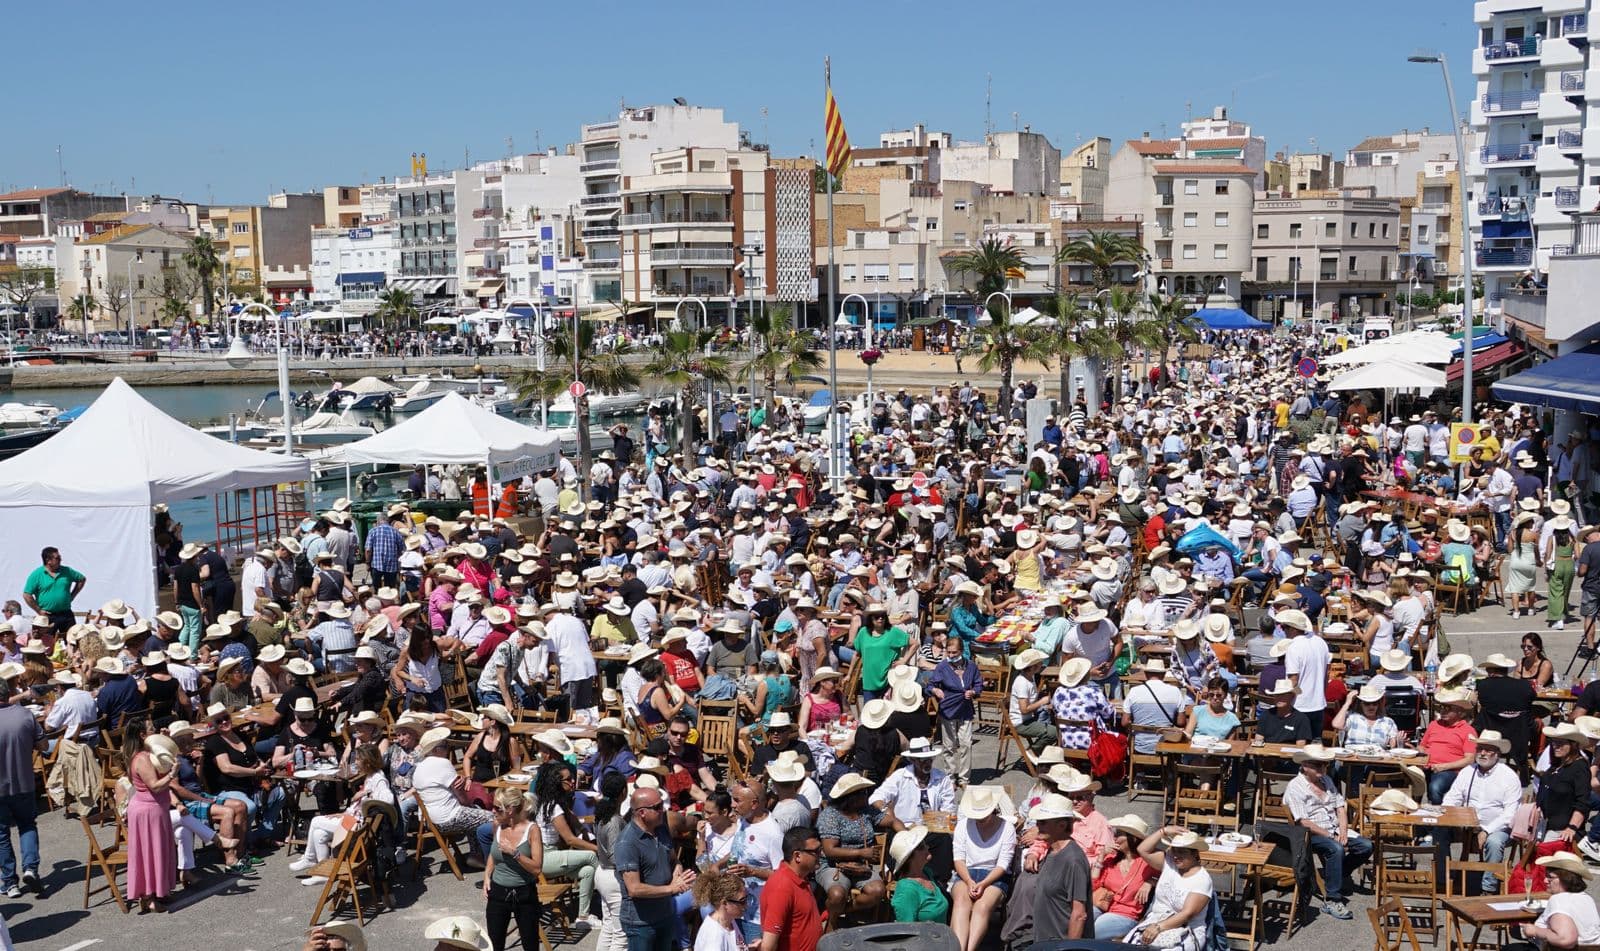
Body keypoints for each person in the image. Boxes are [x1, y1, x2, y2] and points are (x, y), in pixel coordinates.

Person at [1284, 745, 1371, 921]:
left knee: (1366, 846)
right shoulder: (1295, 787)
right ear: (1305, 766)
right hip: (1311, 834)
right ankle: (1332, 899)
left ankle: (1336, 874)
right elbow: (1303, 821)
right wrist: (1332, 836)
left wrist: (1344, 831)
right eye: (1319, 765)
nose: (1323, 769)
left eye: (1325, 765)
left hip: (1334, 829)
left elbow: (1340, 807)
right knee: (1336, 849)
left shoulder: (1327, 781)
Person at [288, 745, 394, 884]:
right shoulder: (370, 776)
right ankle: (324, 873)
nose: (355, 762)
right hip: (352, 818)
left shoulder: (378, 779)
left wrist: (365, 794)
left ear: (367, 761)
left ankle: (309, 858)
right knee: (319, 833)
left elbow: (388, 799)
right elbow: (357, 805)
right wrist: (344, 813)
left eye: (358, 759)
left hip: (358, 825)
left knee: (316, 821)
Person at [616, 786, 696, 951]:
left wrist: (677, 872)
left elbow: (674, 861)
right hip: (641, 923)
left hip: (665, 915)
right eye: (658, 807)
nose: (663, 810)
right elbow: (634, 889)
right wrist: (672, 888)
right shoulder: (627, 842)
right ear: (642, 813)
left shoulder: (661, 830)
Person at [1441, 731, 1522, 893]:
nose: (1483, 753)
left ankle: (1488, 887)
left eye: (1488, 749)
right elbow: (1452, 798)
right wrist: (1449, 816)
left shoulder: (1509, 777)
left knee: (1494, 842)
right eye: (1480, 749)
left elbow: (1510, 814)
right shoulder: (1467, 771)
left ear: (1497, 753)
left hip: (1499, 827)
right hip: (1467, 826)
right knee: (1440, 832)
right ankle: (1443, 880)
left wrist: (1487, 831)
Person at [531, 761, 599, 926]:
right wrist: (599, 849)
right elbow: (570, 839)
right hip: (545, 857)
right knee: (591, 856)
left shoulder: (553, 803)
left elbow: (575, 821)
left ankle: (583, 917)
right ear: (556, 784)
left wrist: (583, 830)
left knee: (588, 870)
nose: (573, 782)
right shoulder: (553, 807)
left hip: (551, 854)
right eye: (568, 780)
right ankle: (611, 896)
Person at [814, 773, 886, 926]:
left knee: (877, 890)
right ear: (852, 797)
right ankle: (833, 922)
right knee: (837, 894)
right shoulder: (830, 816)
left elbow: (890, 820)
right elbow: (830, 850)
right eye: (863, 792)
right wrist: (860, 852)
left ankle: (840, 911)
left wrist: (905, 831)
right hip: (833, 866)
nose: (867, 795)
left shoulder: (866, 811)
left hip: (860, 866)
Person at [950, 785, 1017, 951]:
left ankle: (969, 949)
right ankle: (958, 948)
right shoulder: (963, 825)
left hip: (995, 875)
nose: (979, 819)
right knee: (961, 902)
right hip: (966, 872)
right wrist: (968, 880)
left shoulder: (1007, 828)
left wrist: (984, 883)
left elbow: (1003, 864)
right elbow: (958, 859)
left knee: (982, 906)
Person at [1126, 825, 1214, 948]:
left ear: (1194, 853)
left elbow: (1187, 914)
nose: (1176, 856)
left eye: (1182, 851)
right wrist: (1163, 831)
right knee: (1128, 947)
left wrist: (1158, 927)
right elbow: (1142, 849)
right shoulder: (1169, 863)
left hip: (1186, 928)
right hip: (1156, 919)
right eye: (1174, 850)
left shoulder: (1202, 880)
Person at [482, 785, 545, 951]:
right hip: (498, 892)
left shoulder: (532, 830)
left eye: (497, 808)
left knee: (530, 944)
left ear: (510, 809)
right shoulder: (497, 825)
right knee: (494, 944)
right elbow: (493, 854)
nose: (493, 811)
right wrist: (487, 875)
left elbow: (537, 868)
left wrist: (514, 853)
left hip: (524, 893)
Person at [123, 726, 178, 914]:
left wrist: (165, 741)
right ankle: (148, 897)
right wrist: (172, 774)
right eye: (151, 728)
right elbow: (154, 786)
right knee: (149, 852)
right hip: (148, 811)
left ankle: (159, 890)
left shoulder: (147, 754)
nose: (154, 729)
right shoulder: (142, 758)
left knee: (159, 851)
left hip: (154, 809)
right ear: (142, 734)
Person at [0, 663, 43, 898]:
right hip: (24, 782)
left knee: (1, 834)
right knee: (27, 825)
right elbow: (43, 745)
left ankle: (9, 881)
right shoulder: (26, 715)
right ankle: (30, 868)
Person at [1029, 792, 1091, 942]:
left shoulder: (1073, 860)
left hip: (1059, 944)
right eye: (1038, 821)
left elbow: (1079, 914)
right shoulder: (1051, 851)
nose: (1038, 826)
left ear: (1062, 825)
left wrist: (1069, 948)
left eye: (1043, 822)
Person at [926, 634, 981, 786]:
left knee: (966, 744)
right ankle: (949, 777)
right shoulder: (943, 666)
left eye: (954, 653)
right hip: (948, 709)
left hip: (965, 709)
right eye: (948, 652)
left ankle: (964, 778)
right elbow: (930, 685)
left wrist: (974, 692)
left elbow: (978, 684)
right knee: (949, 746)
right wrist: (936, 691)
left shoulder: (971, 666)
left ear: (961, 651)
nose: (950, 655)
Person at [758, 826, 824, 951]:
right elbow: (768, 946)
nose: (820, 854)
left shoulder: (801, 878)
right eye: (816, 851)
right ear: (797, 856)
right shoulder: (782, 887)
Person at [1091, 814, 1155, 942]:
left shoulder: (1147, 862)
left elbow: (1167, 875)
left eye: (1119, 834)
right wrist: (1101, 857)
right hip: (1104, 905)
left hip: (1126, 913)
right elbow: (1093, 885)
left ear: (1133, 839)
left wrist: (1150, 881)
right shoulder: (1111, 860)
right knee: (1080, 918)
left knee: (1094, 930)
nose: (1114, 838)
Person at [1521, 853, 1600, 949]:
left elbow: (1566, 939)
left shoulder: (1558, 900)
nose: (1545, 880)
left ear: (1565, 879)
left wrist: (1535, 931)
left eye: (1550, 877)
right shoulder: (1587, 898)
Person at [1419, 688, 1478, 804]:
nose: (1443, 711)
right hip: (1426, 765)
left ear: (1460, 712)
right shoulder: (1434, 724)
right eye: (1442, 707)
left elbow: (1470, 759)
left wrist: (1444, 766)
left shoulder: (1468, 731)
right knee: (1408, 778)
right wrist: (1422, 756)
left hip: (1450, 770)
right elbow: (1422, 746)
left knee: (1435, 787)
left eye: (1448, 708)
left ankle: (1438, 814)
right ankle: (1413, 810)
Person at [887, 827, 948, 923]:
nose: (927, 847)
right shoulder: (907, 890)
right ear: (910, 857)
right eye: (922, 846)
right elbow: (906, 930)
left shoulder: (927, 872)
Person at [22, 546, 85, 634]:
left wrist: (72, 596)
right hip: (48, 616)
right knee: (47, 642)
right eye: (57, 558)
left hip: (66, 613)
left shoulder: (67, 571)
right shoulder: (37, 574)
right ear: (48, 560)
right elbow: (27, 595)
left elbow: (81, 579)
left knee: (72, 639)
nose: (61, 560)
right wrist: (38, 610)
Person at [692, 870, 751, 951]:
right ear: (725, 903)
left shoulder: (729, 920)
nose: (746, 905)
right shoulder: (714, 937)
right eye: (742, 901)